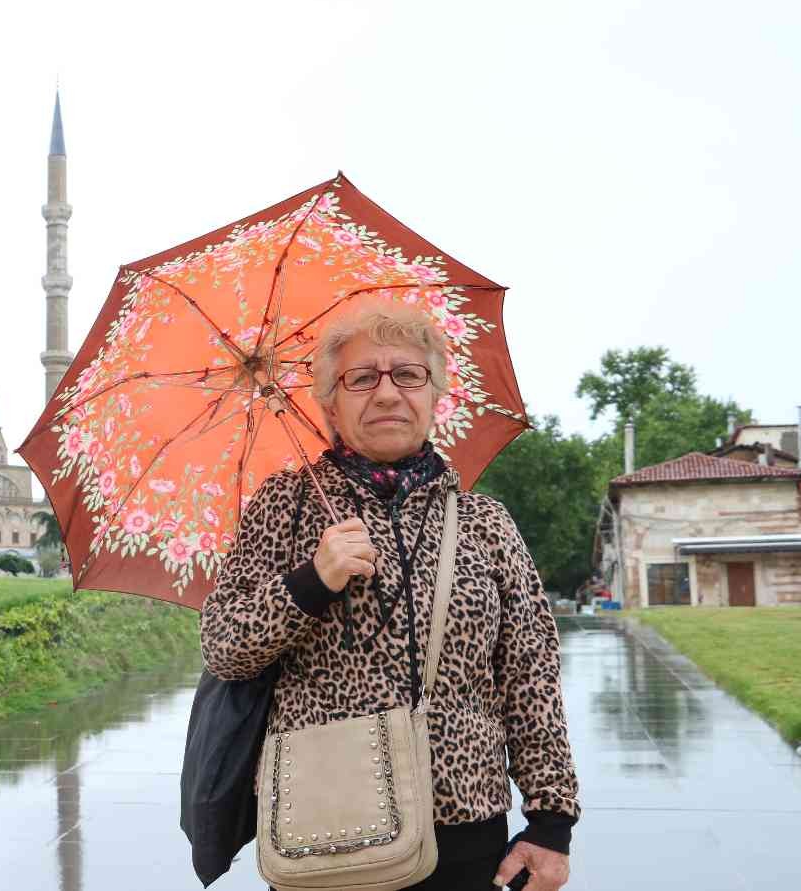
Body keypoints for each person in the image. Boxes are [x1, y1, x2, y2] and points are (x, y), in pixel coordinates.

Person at [200, 297, 579, 891]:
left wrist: (551, 824)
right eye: (361, 378)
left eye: (408, 374)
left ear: (435, 396)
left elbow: (531, 679)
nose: (386, 393)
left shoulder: (485, 522)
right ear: (330, 402)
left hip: (464, 829)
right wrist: (311, 582)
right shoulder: (284, 505)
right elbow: (224, 647)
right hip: (327, 823)